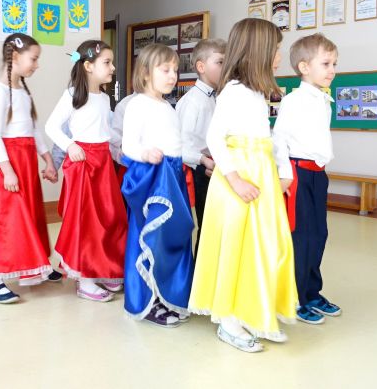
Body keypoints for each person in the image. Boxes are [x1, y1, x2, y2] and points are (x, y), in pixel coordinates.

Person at [188, 18, 297, 353]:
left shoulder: (256, 93)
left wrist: (282, 171)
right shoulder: (234, 91)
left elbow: (267, 138)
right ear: (257, 52)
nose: (279, 56)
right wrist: (234, 179)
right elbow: (215, 138)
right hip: (238, 178)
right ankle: (228, 320)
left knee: (261, 245)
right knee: (236, 246)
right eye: (275, 49)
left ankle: (253, 311)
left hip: (258, 174)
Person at [0, 34, 60, 304]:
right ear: (16, 57)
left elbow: (33, 130)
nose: (37, 65)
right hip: (7, 164)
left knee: (30, 214)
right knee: (7, 220)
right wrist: (8, 171)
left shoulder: (22, 91)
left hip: (25, 161)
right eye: (34, 59)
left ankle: (37, 265)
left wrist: (48, 160)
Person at [45, 40, 127, 302]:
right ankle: (85, 279)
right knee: (87, 222)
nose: (113, 68)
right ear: (89, 66)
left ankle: (103, 268)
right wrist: (70, 146)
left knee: (109, 217)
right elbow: (51, 126)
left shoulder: (104, 98)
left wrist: (122, 153)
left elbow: (107, 134)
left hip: (103, 165)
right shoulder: (72, 95)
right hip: (83, 167)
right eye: (107, 62)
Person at [121, 44, 194, 328]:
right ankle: (147, 301)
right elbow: (128, 146)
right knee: (149, 236)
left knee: (171, 237)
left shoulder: (168, 106)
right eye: (165, 70)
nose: (172, 75)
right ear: (145, 73)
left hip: (172, 176)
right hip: (152, 177)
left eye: (175, 70)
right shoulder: (137, 104)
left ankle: (168, 294)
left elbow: (177, 143)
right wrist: (145, 154)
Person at [272, 33, 341, 325]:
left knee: (319, 235)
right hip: (298, 174)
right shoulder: (295, 100)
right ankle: (295, 297)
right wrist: (285, 175)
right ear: (303, 67)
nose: (332, 70)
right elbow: (279, 139)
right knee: (301, 238)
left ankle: (312, 292)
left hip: (317, 174)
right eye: (325, 63)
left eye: (334, 64)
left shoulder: (322, 98)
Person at [175, 38, 225, 255]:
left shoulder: (218, 97)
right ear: (201, 67)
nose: (225, 67)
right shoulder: (191, 102)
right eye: (220, 62)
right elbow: (180, 146)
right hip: (198, 170)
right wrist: (203, 160)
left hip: (215, 166)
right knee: (206, 228)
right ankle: (199, 270)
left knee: (218, 226)